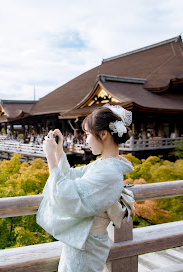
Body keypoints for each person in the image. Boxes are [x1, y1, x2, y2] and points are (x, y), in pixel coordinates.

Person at [36, 104, 135, 271]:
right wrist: (58, 151)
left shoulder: (110, 172)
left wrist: (49, 156)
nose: (85, 140)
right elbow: (72, 177)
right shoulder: (104, 164)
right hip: (83, 240)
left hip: (87, 245)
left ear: (103, 134)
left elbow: (69, 196)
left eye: (88, 134)